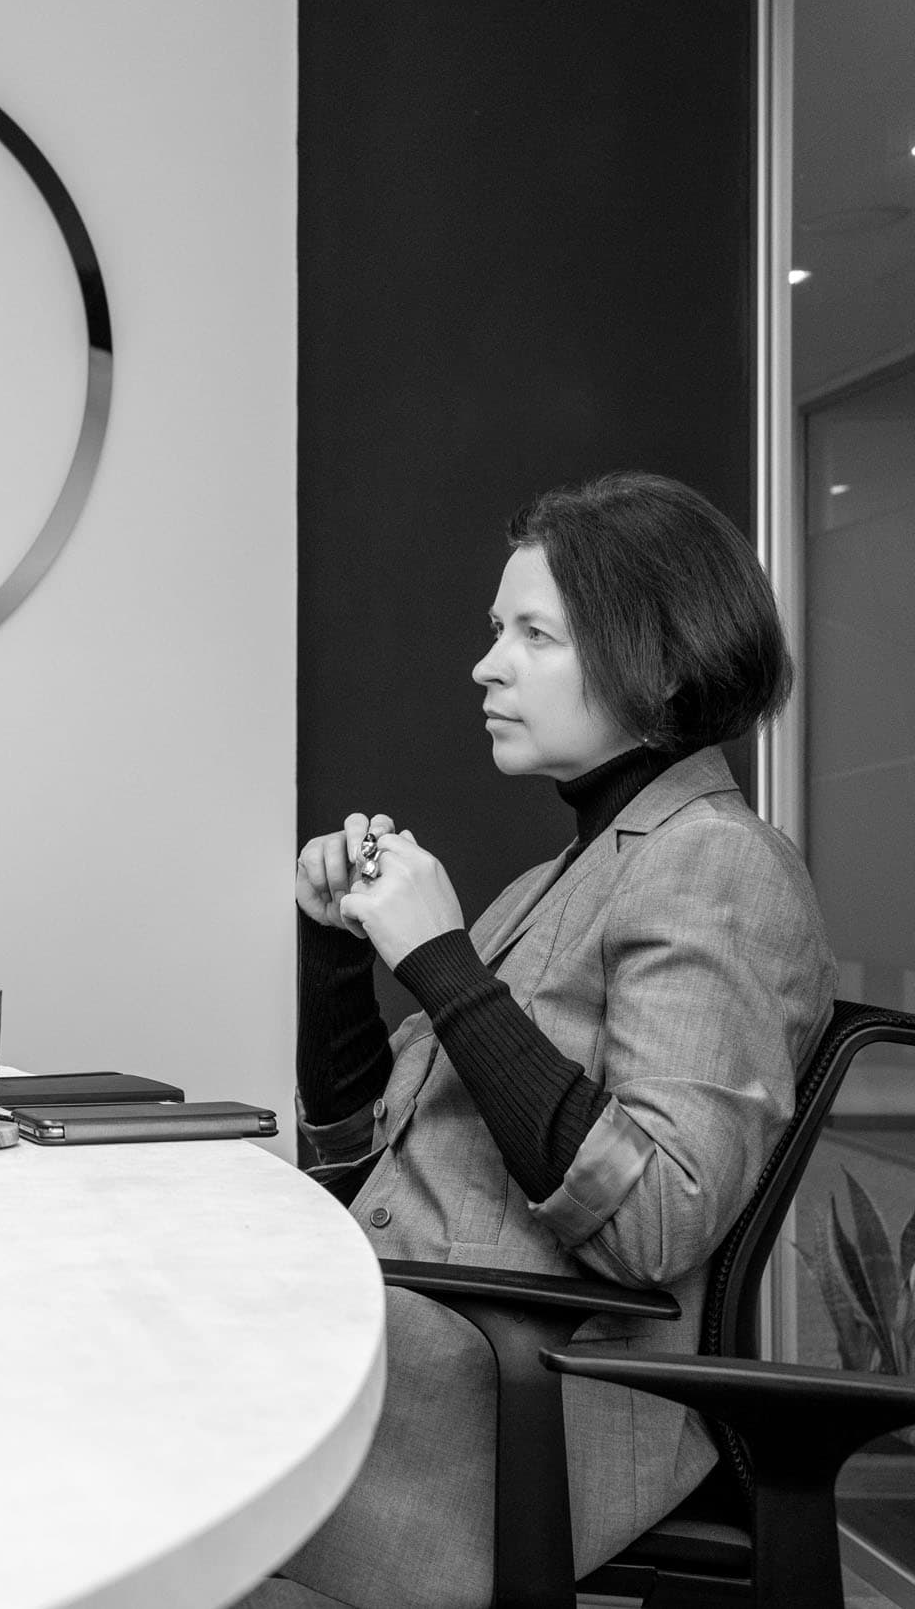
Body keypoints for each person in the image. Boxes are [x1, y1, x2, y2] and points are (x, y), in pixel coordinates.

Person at [244, 473, 834, 1609]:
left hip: (496, 1410)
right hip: (397, 1346)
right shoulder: (562, 878)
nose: (487, 664)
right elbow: (366, 1161)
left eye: (534, 635)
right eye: (494, 630)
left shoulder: (716, 863)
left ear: (660, 665)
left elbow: (657, 1216)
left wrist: (440, 958)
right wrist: (339, 953)